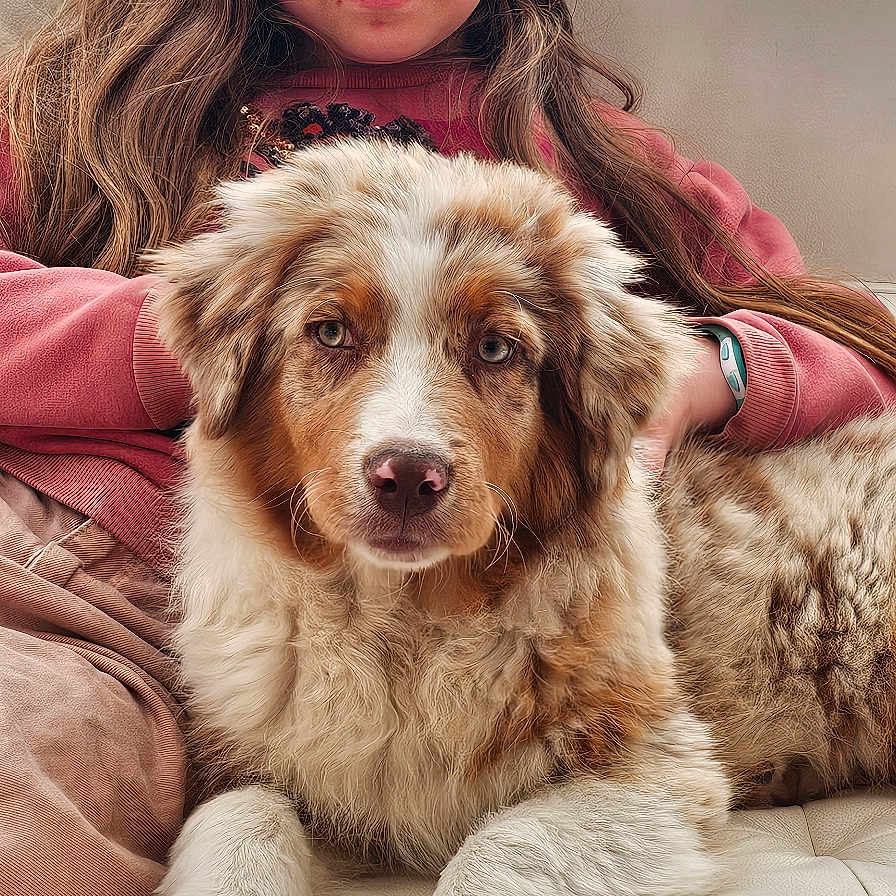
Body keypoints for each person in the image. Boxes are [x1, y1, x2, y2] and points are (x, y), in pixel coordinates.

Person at [0, 1, 893, 894]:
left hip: (462, 618)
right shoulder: (86, 106)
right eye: (332, 333)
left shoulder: (589, 155)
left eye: (496, 347)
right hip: (70, 558)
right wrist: (183, 345)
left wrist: (703, 375)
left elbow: (844, 329)